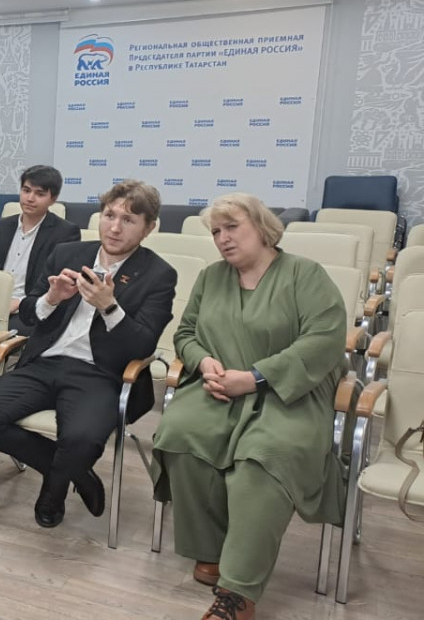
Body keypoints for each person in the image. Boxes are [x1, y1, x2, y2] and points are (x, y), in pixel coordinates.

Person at [150, 194, 347, 620]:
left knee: (264, 456)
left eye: (232, 227)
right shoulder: (211, 277)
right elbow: (186, 333)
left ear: (261, 227)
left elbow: (324, 340)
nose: (223, 238)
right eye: (216, 232)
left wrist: (255, 378)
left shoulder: (305, 275)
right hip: (221, 388)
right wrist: (204, 361)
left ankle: (237, 593)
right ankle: (212, 550)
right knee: (181, 432)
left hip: (288, 393)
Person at [0, 180, 176, 529]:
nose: (115, 227)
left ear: (148, 228)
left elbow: (143, 346)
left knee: (80, 439)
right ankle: (72, 472)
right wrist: (51, 299)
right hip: (44, 362)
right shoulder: (67, 253)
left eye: (128, 220)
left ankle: (53, 491)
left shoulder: (158, 275)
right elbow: (28, 313)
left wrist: (109, 307)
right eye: (109, 215)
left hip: (101, 374)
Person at [0, 165, 80, 336]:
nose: (30, 198)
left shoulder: (65, 232)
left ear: (53, 199)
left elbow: (55, 282)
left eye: (40, 194)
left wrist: (19, 303)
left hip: (29, 310)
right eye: (26, 191)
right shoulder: (2, 226)